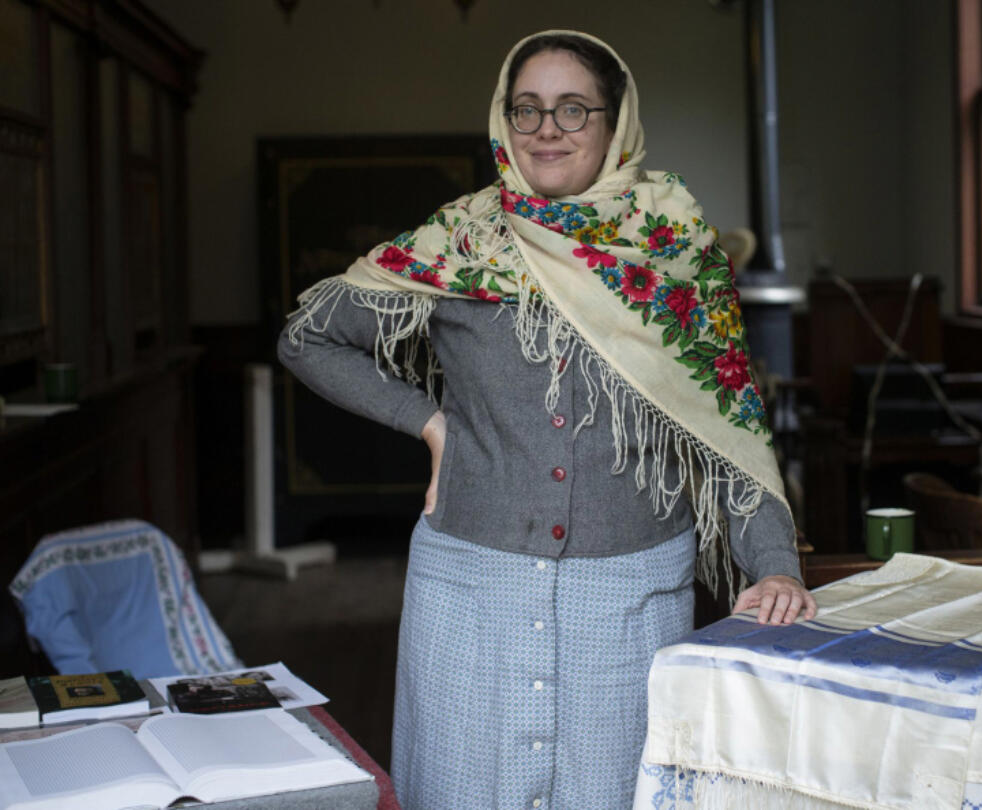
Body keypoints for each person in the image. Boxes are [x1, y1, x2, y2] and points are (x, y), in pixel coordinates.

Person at [278, 29, 816, 810]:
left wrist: (774, 566)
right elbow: (310, 338)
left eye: (573, 110)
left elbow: (729, 428)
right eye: (526, 110)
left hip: (627, 604)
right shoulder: (460, 240)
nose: (546, 131)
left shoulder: (676, 252)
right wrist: (430, 423)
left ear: (615, 121)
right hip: (470, 595)